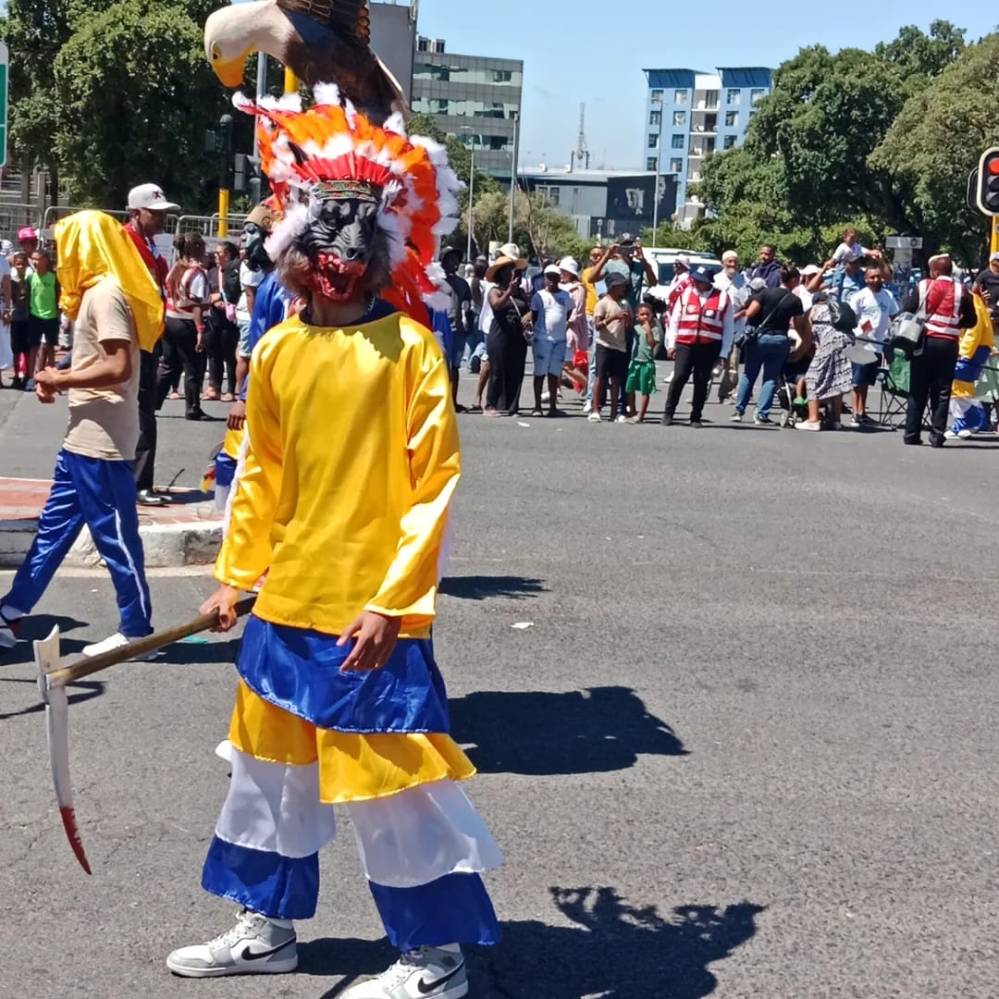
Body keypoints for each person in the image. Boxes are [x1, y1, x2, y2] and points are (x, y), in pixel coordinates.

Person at [165, 93, 501, 997]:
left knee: (391, 786)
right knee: (267, 775)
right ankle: (265, 926)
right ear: (294, 255)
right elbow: (262, 476)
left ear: (383, 254)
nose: (339, 262)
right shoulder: (274, 350)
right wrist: (236, 578)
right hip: (285, 604)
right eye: (323, 246)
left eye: (357, 248)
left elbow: (432, 485)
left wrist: (395, 600)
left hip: (370, 614)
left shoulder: (412, 352)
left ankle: (432, 958)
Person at [0, 212, 163, 655]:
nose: (59, 253)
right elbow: (100, 359)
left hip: (104, 443)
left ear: (85, 246)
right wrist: (60, 373)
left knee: (114, 536)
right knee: (53, 530)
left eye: (65, 244)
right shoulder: (95, 292)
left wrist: (60, 379)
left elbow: (119, 366)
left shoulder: (108, 294)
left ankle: (136, 628)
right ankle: (12, 610)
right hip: (82, 438)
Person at [124, 182, 178, 508]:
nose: (162, 219)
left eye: (163, 214)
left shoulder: (149, 243)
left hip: (149, 337)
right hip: (132, 337)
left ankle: (137, 480)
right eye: (155, 213)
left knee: (142, 410)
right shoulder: (125, 242)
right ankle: (137, 482)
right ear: (136, 213)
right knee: (141, 412)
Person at [900, 253, 978, 447]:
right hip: (949, 345)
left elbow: (907, 308)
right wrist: (955, 324)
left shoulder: (924, 285)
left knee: (918, 390)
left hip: (924, 342)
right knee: (942, 391)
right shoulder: (962, 291)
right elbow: (972, 320)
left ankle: (911, 434)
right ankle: (936, 435)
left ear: (935, 271)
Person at [731, 266, 806, 426]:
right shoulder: (795, 300)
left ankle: (739, 410)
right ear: (793, 280)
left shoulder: (765, 293)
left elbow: (750, 313)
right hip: (779, 339)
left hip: (759, 338)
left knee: (748, 375)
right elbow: (799, 325)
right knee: (771, 378)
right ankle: (762, 414)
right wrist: (805, 340)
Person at [663, 266, 735, 428]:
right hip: (685, 344)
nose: (695, 282)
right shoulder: (686, 293)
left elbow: (729, 327)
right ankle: (669, 413)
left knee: (701, 381)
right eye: (695, 279)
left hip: (709, 346)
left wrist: (723, 353)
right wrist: (671, 344)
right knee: (679, 377)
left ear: (708, 282)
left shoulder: (723, 298)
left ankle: (696, 416)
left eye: (700, 281)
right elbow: (675, 320)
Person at [156, 233, 210, 420]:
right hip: (186, 322)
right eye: (202, 245)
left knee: (169, 364)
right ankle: (193, 408)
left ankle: (151, 402)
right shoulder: (196, 273)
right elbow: (196, 304)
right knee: (193, 366)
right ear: (196, 248)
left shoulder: (175, 268)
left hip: (170, 319)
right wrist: (200, 331)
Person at [848, 266, 899, 426]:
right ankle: (855, 413)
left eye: (878, 277)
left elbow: (894, 314)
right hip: (861, 343)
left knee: (867, 381)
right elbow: (850, 318)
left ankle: (862, 412)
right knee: (857, 381)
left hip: (878, 345)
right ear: (866, 279)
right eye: (872, 277)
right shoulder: (859, 296)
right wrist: (859, 331)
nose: (876, 280)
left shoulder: (888, 295)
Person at [484, 253, 531, 417]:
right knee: (498, 369)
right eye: (510, 270)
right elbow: (496, 305)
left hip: (517, 334)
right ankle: (490, 404)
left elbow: (529, 308)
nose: (513, 273)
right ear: (501, 273)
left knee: (516, 369)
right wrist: (509, 291)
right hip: (500, 334)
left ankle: (512, 406)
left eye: (514, 270)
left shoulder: (521, 293)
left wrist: (530, 315)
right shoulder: (495, 291)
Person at [796, 293, 849, 431]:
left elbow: (807, 342)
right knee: (837, 379)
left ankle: (813, 419)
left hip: (829, 343)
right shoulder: (835, 309)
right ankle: (836, 420)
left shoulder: (812, 310)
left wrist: (794, 356)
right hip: (847, 341)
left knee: (812, 378)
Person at [590, 272, 633, 424]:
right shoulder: (602, 303)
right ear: (613, 286)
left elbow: (628, 327)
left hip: (620, 346)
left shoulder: (624, 303)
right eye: (621, 285)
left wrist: (627, 320)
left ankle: (614, 412)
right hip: (604, 345)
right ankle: (595, 409)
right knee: (600, 377)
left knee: (616, 380)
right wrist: (612, 318)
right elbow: (597, 326)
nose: (623, 288)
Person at [530, 264, 572, 417]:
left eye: (555, 277)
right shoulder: (539, 295)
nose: (552, 280)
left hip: (560, 340)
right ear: (545, 279)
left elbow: (568, 313)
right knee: (540, 373)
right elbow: (533, 316)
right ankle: (537, 406)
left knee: (554, 374)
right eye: (549, 277)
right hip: (542, 340)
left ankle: (553, 406)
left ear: (559, 278)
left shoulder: (566, 296)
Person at [205, 241, 241, 402]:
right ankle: (214, 387)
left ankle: (231, 390)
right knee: (213, 353)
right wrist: (213, 301)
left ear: (227, 255)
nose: (215, 256)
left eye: (218, 253)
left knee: (229, 354)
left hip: (230, 318)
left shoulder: (236, 271)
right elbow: (206, 292)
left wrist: (225, 300)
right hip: (214, 317)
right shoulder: (212, 272)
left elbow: (239, 291)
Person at [714, 251, 750, 402]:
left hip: (736, 328)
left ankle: (725, 392)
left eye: (735, 261)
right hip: (717, 328)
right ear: (723, 263)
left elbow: (747, 304)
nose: (733, 265)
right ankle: (702, 391)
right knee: (713, 364)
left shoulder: (743, 281)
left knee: (733, 364)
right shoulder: (716, 280)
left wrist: (736, 315)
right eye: (729, 262)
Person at [440, 246, 472, 411]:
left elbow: (467, 304)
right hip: (441, 330)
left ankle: (453, 400)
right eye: (450, 259)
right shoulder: (436, 282)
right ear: (443, 261)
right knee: (441, 367)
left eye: (456, 260)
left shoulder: (462, 283)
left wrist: (467, 321)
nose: (454, 263)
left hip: (458, 330)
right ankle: (441, 401)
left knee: (455, 366)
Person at [27, 249, 60, 377]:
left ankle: (52, 377)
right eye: (33, 259)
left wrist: (58, 313)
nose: (35, 262)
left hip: (51, 317)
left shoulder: (54, 277)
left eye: (38, 259)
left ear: (45, 260)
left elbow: (58, 295)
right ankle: (31, 377)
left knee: (50, 348)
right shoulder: (30, 277)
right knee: (33, 348)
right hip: (35, 316)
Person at [626, 300, 659, 423]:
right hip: (634, 361)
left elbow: (652, 344)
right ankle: (632, 411)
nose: (645, 317)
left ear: (652, 315)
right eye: (642, 314)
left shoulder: (654, 329)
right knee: (630, 388)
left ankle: (641, 415)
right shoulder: (635, 328)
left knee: (645, 389)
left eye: (647, 314)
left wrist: (648, 331)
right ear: (637, 316)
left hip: (647, 362)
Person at [9, 251, 31, 389]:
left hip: (27, 318)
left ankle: (27, 375)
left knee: (27, 350)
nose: (20, 267)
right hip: (16, 319)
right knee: (16, 350)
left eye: (23, 264)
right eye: (18, 264)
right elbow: (15, 301)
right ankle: (17, 376)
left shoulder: (30, 278)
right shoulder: (12, 280)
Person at [974, 251, 999, 332]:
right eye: (997, 261)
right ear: (991, 262)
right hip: (989, 311)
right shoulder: (984, 274)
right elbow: (974, 289)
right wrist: (980, 297)